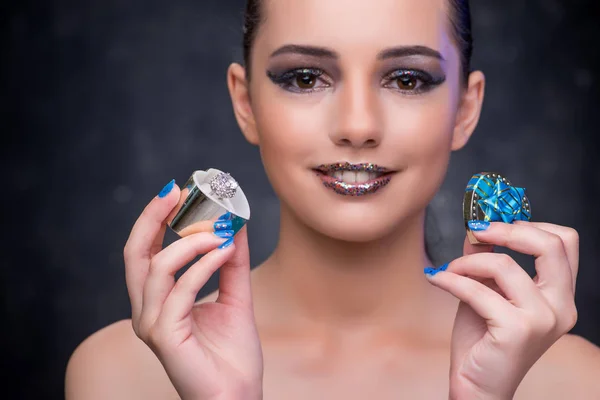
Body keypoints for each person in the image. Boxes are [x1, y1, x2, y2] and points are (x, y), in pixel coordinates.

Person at [65, 0, 600, 399]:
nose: (358, 126)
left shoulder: (574, 383)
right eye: (304, 77)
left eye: (407, 79)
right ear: (245, 102)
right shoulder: (120, 373)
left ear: (465, 108)